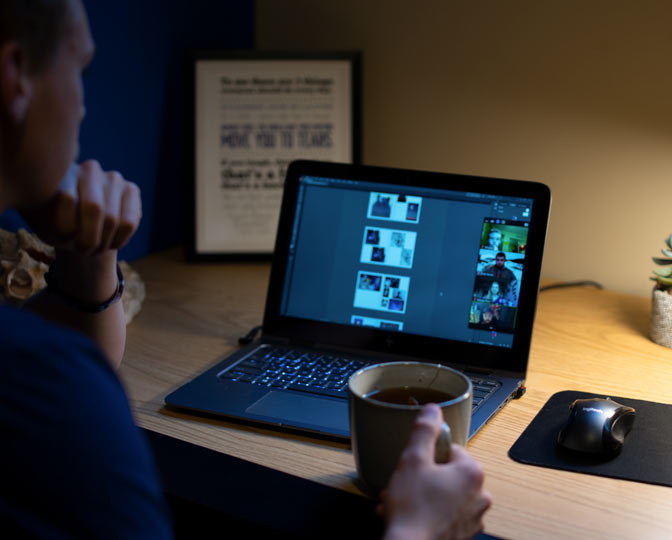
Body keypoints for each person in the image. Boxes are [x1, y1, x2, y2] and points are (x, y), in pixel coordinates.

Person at [0, 1, 490, 538]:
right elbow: (66, 385)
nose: (85, 109)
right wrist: (423, 528)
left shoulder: (44, 372)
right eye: (82, 71)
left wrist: (87, 253)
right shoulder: (38, 378)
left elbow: (83, 363)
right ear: (15, 76)